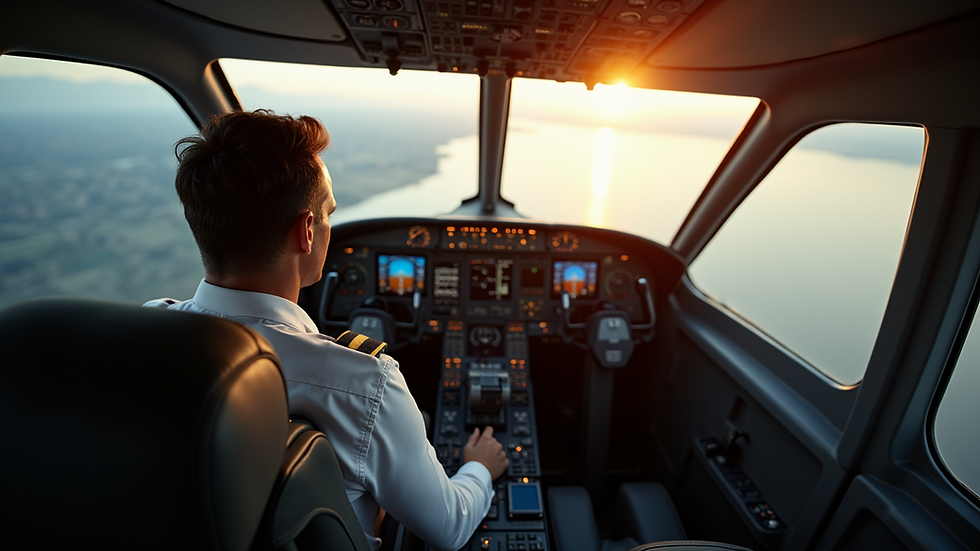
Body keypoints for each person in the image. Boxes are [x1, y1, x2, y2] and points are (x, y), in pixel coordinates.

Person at [145, 110, 508, 551]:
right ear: (306, 232)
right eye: (328, 213)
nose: (329, 223)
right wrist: (479, 469)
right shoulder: (362, 383)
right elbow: (448, 527)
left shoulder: (145, 335)